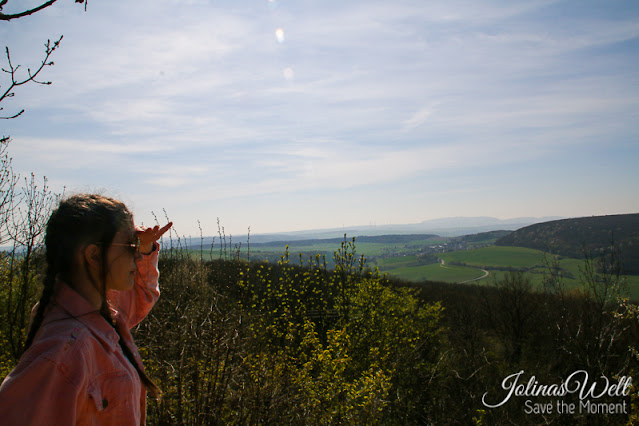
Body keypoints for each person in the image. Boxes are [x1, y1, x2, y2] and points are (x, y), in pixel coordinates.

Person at [0, 194, 172, 425]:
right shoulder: (62, 351)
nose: (137, 255)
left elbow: (141, 297)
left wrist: (146, 247)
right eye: (131, 246)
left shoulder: (99, 315)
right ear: (93, 255)